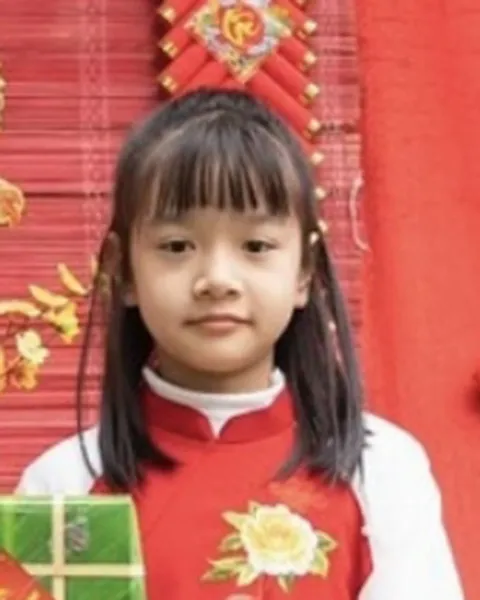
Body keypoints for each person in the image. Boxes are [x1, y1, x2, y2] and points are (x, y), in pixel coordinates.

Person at [16, 89, 464, 599]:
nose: (217, 279)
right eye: (177, 246)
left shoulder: (380, 469)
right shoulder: (66, 484)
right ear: (124, 272)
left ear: (304, 271)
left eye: (255, 246)